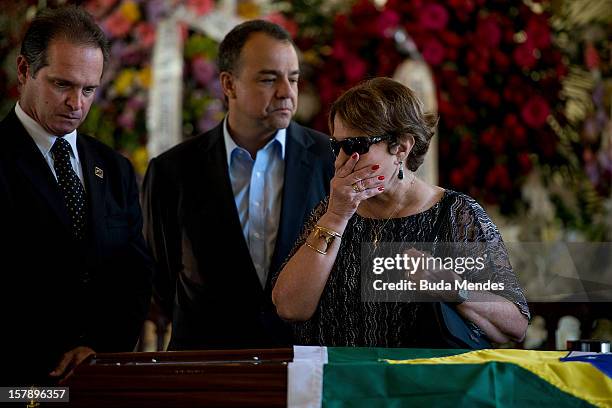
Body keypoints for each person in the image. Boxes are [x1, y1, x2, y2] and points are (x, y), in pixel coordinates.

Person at [272, 77, 530, 347]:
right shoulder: (331, 210)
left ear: (402, 148)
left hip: (422, 384)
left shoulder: (456, 214)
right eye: (337, 147)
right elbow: (289, 307)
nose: (339, 162)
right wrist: (336, 217)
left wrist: (456, 289)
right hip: (341, 382)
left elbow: (515, 325)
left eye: (355, 147)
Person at [142, 20, 334, 350]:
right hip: (205, 366)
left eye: (294, 78)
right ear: (229, 85)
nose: (286, 92)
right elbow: (160, 280)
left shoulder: (330, 159)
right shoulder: (172, 171)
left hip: (304, 362)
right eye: (269, 78)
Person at [0, 6, 153, 385]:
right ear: (24, 71)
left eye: (88, 90)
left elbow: (133, 273)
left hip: (98, 376)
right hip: (18, 382)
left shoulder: (114, 168)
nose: (77, 104)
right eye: (62, 85)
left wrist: (100, 348)